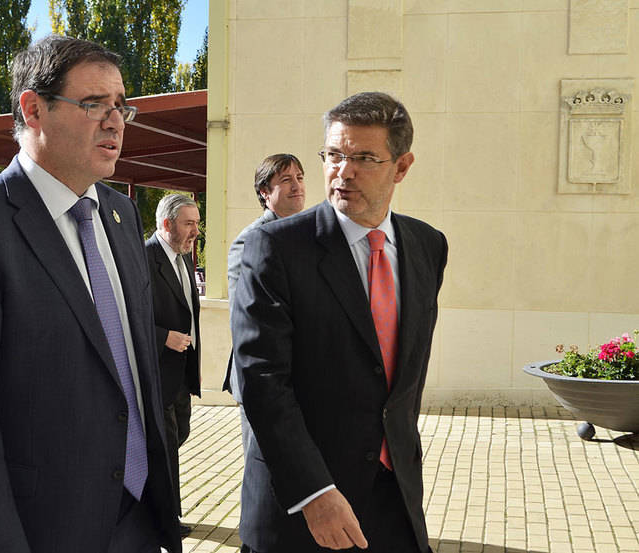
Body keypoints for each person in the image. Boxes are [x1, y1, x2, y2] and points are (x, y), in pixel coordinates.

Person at [0, 35, 180, 553]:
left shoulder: (122, 216)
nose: (116, 122)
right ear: (33, 109)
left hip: (140, 521)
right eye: (95, 104)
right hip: (38, 531)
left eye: (121, 106)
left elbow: (130, 368)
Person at [232, 92, 448, 553]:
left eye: (364, 158)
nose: (343, 172)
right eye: (333, 155)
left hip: (395, 502)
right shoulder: (276, 248)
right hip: (303, 511)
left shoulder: (428, 246)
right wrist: (314, 494)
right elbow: (262, 381)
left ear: (402, 166)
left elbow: (404, 378)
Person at [222, 153, 306, 495]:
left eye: (299, 177)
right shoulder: (250, 241)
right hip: (264, 379)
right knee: (264, 474)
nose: (297, 186)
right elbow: (246, 319)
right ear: (264, 192)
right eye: (286, 180)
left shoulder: (309, 235)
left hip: (305, 377)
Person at [145, 194, 202, 537]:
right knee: (165, 449)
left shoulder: (182, 258)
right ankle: (164, 522)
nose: (196, 231)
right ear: (167, 224)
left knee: (179, 435)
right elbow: (125, 314)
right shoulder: (143, 257)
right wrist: (163, 336)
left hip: (180, 373)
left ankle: (153, 507)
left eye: (197, 223)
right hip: (157, 370)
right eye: (189, 224)